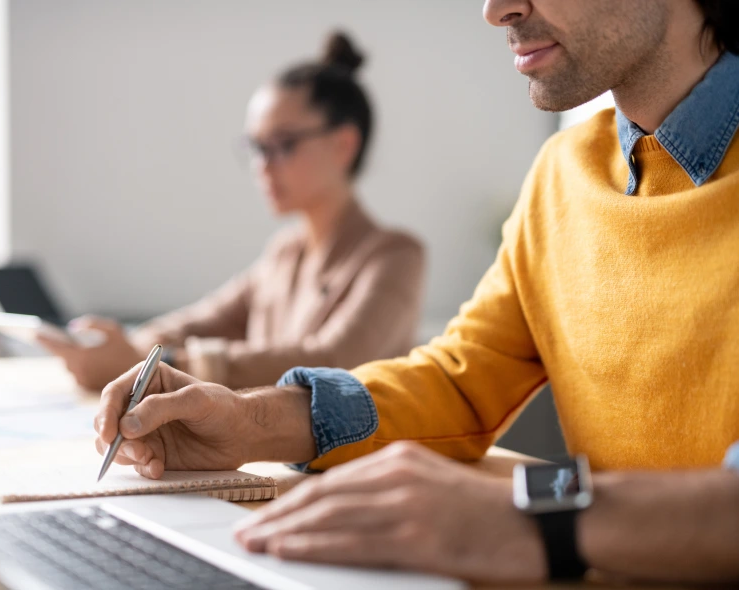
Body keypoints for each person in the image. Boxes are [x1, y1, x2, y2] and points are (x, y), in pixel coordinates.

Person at [93, 0, 739, 585]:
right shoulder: (562, 174)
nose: (496, 11)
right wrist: (247, 422)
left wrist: (525, 515)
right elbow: (461, 382)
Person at [39, 32, 425, 392]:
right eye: (256, 148)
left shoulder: (395, 255)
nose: (263, 165)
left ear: (344, 144)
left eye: (283, 144)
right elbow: (200, 319)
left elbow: (332, 360)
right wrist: (118, 346)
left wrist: (153, 362)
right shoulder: (284, 254)